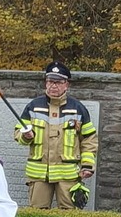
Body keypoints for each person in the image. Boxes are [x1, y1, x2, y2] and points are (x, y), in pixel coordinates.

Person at [14, 61, 97, 209]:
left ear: (66, 84)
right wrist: (24, 136)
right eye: (50, 81)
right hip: (39, 175)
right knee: (37, 216)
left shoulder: (78, 109)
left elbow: (89, 140)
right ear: (46, 83)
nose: (53, 85)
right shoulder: (33, 107)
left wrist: (87, 165)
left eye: (58, 82)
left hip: (68, 176)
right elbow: (18, 133)